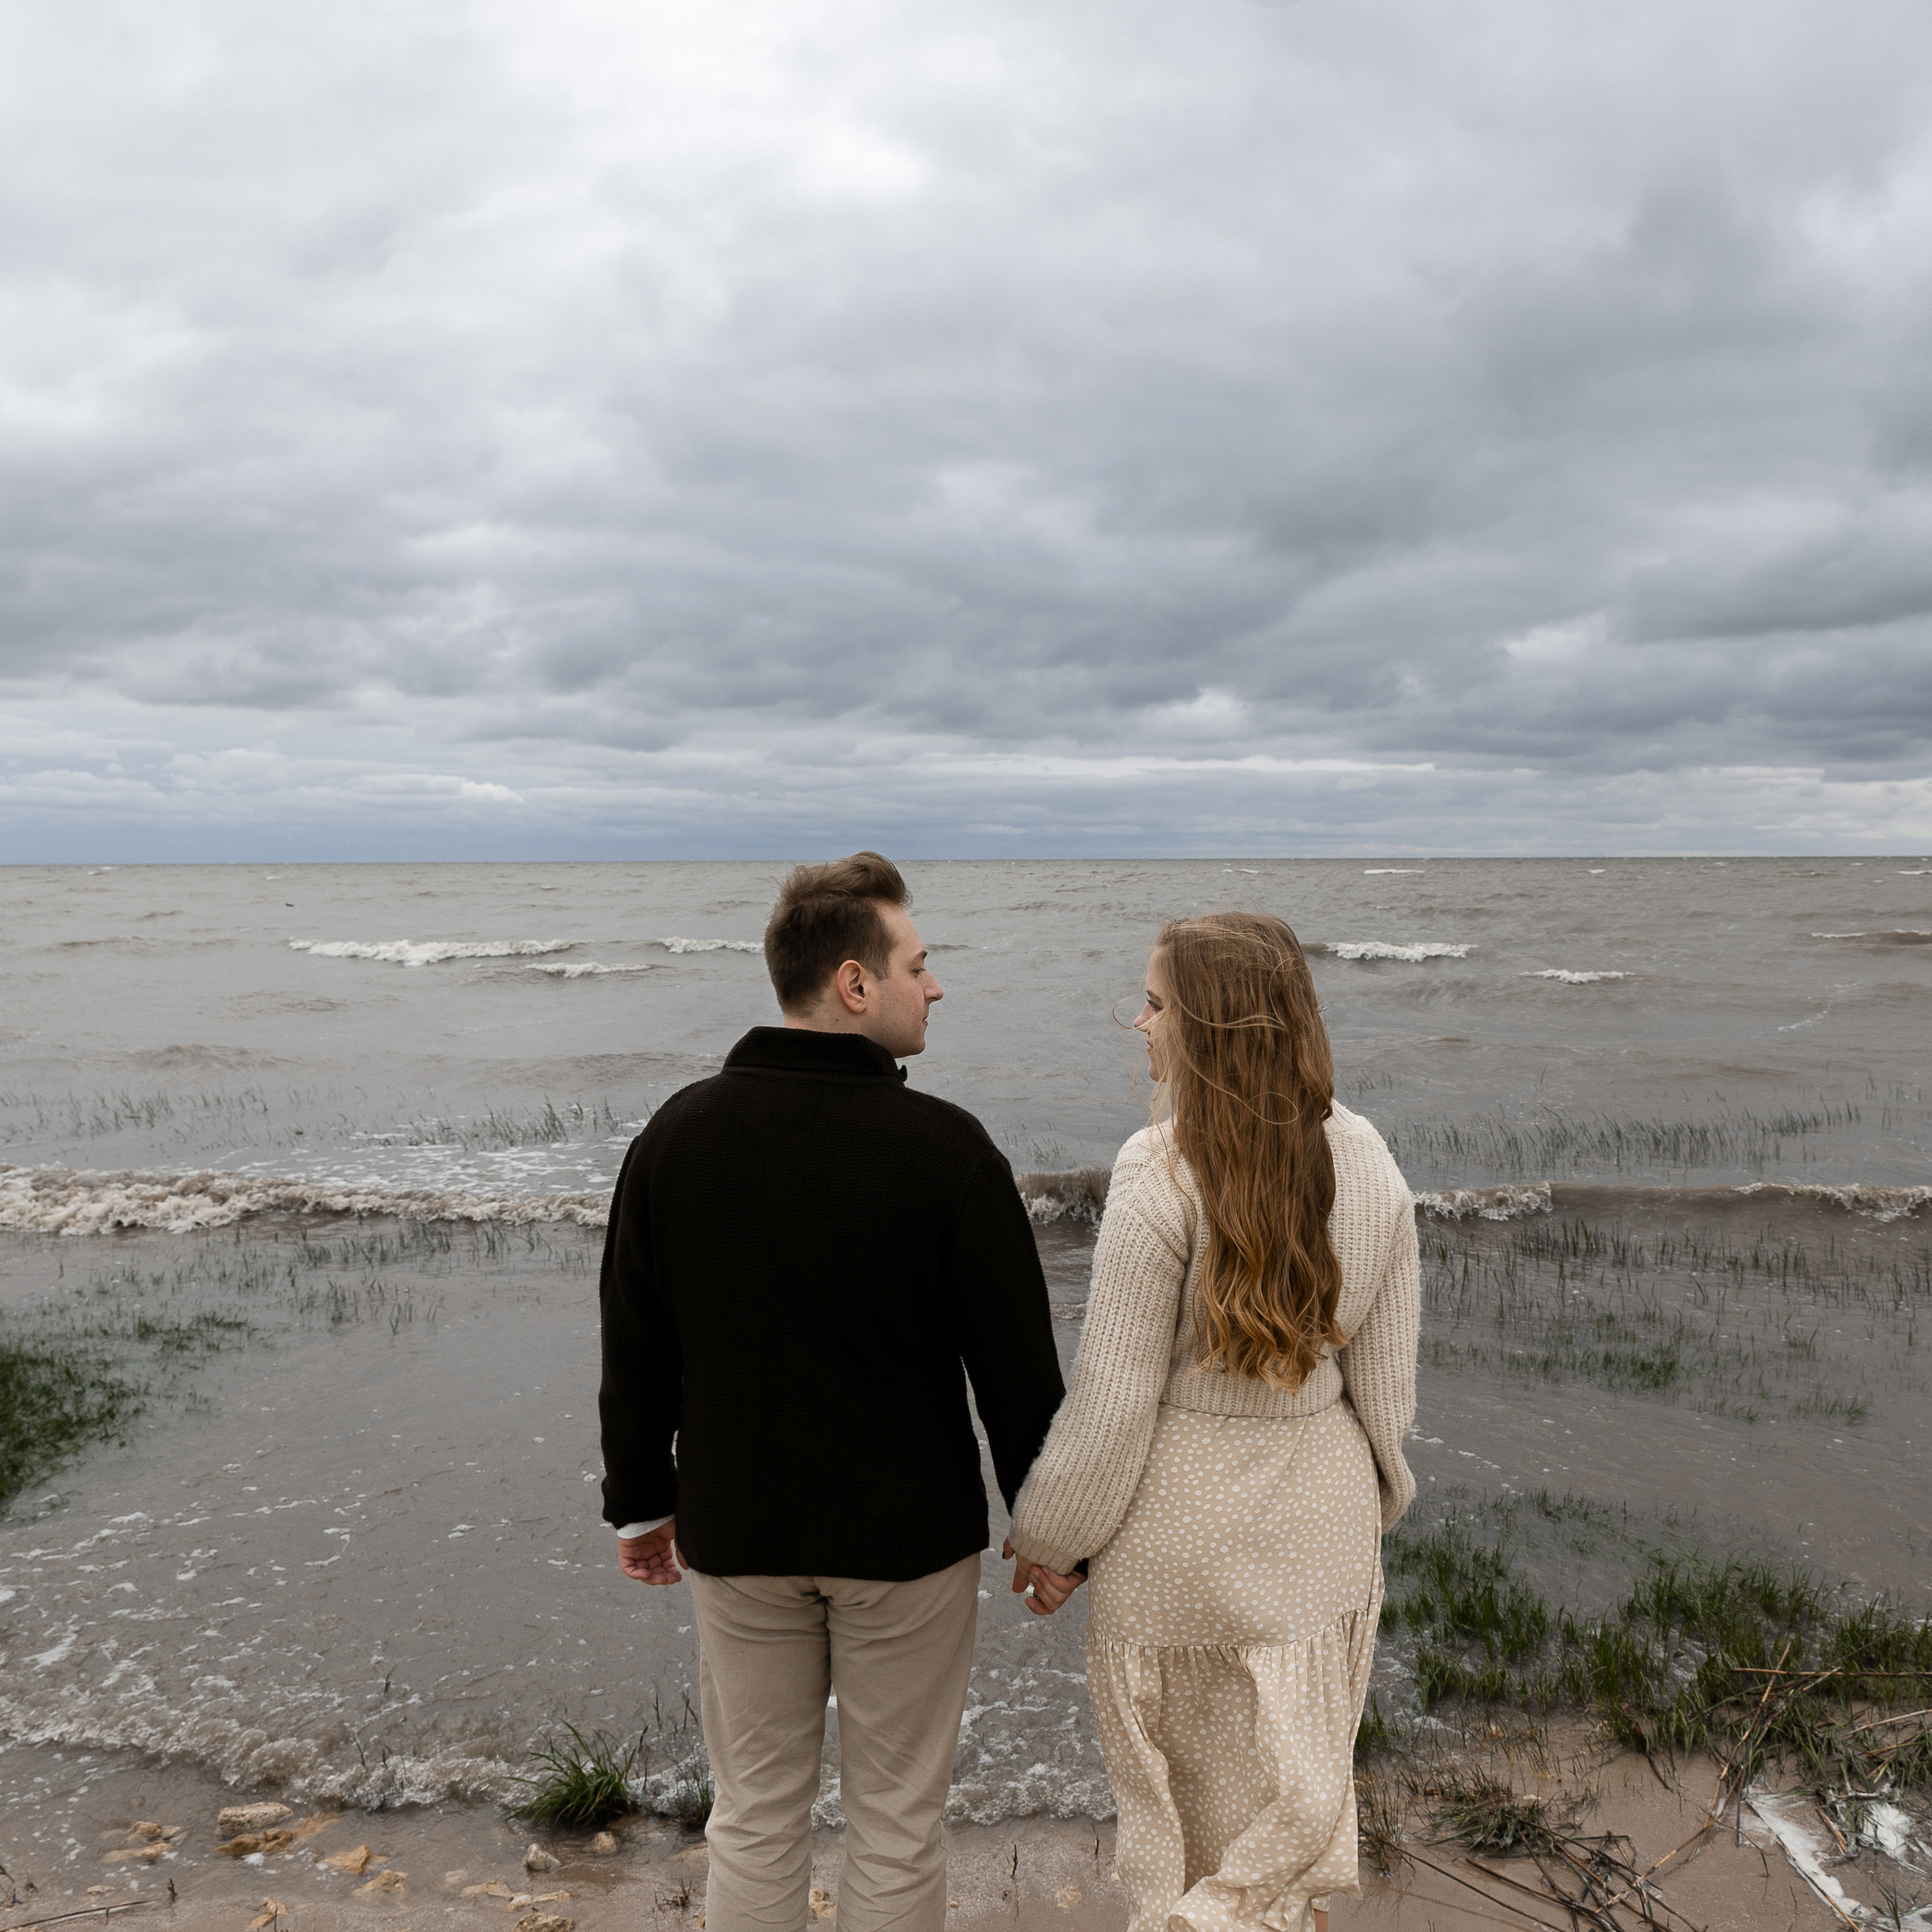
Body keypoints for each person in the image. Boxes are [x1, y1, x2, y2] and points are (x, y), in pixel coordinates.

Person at [598, 851, 1066, 1932]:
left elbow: (635, 1342)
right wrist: (1049, 1525)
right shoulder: (946, 1151)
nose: (934, 986)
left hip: (741, 1531)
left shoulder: (674, 1136)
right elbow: (1015, 1374)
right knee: (898, 1820)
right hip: (905, 1545)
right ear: (854, 984)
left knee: (756, 1815)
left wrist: (641, 1501)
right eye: (918, 964)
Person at [1007, 912, 1420, 1932]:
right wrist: (1371, 1506)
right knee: (1293, 1802)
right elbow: (1391, 1400)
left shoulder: (1160, 1170)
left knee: (1186, 1817)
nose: (1139, 1025)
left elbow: (1113, 1402)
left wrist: (1051, 1541)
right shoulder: (1370, 1163)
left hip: (1175, 1540)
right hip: (1319, 1525)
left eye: (1154, 1004)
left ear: (1210, 1028)